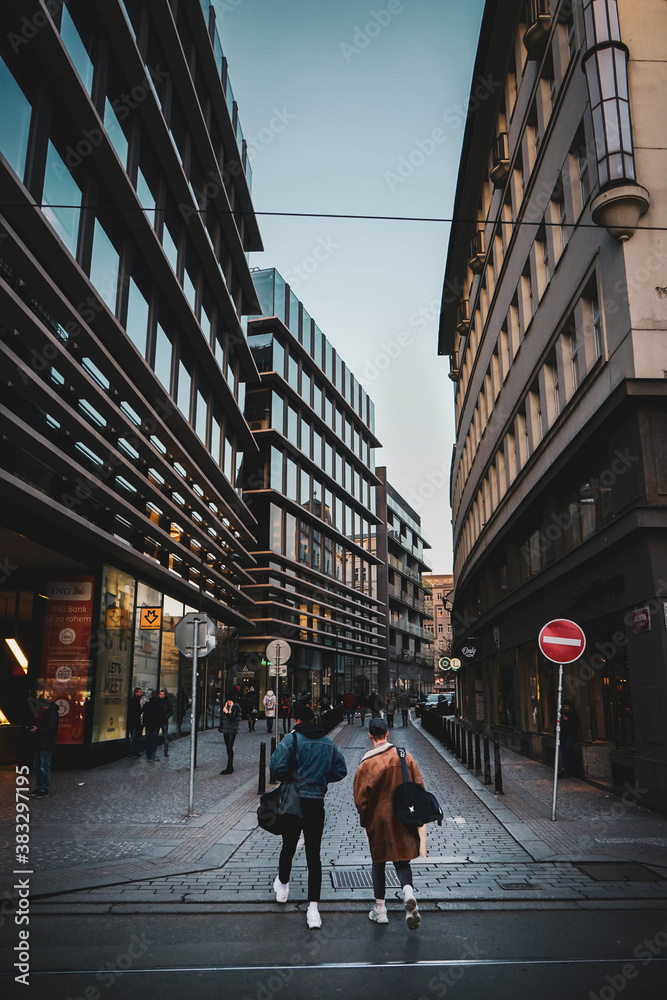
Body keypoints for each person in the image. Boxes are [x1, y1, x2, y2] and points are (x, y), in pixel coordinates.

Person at [270, 704, 347, 929]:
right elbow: (341, 770)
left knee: (288, 846)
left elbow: (275, 768)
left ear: (297, 721)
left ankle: (283, 887)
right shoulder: (328, 742)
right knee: (314, 856)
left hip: (294, 802)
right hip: (316, 804)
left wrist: (290, 778)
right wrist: (321, 779)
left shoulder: (291, 740)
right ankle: (313, 910)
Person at [353, 717, 423, 929]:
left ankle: (380, 910)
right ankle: (408, 893)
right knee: (402, 860)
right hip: (402, 816)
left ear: (369, 735)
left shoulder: (366, 763)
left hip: (379, 819)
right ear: (387, 733)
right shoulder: (403, 754)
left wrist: (366, 820)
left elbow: (360, 799)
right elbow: (419, 783)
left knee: (379, 861)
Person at [28, 695, 59, 798]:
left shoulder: (52, 714)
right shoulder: (49, 713)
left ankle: (43, 789)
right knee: (38, 766)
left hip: (45, 744)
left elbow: (51, 730)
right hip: (42, 743)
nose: (39, 709)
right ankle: (40, 788)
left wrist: (38, 730)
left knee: (43, 767)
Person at [220, 693, 242, 774]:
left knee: (229, 748)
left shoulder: (235, 706)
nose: (228, 702)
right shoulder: (228, 707)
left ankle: (229, 767)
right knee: (228, 748)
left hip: (232, 730)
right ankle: (230, 766)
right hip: (226, 730)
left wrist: (226, 712)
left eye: (229, 700)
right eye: (227, 700)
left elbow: (232, 719)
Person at [142, 690, 166, 762]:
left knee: (148, 740)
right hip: (156, 725)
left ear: (151, 696)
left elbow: (143, 714)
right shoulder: (160, 705)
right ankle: (152, 756)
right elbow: (162, 716)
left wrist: (144, 723)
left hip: (148, 725)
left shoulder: (147, 704)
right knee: (154, 740)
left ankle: (148, 756)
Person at [559, 699, 579, 778]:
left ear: (569, 707)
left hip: (570, 734)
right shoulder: (562, 713)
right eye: (564, 707)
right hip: (564, 733)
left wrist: (568, 720)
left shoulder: (573, 714)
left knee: (566, 750)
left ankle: (564, 769)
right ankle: (566, 768)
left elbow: (577, 724)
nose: (565, 708)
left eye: (566, 707)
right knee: (564, 751)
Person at [127, 686, 143, 757]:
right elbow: (137, 712)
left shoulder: (133, 700)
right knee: (134, 738)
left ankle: (135, 752)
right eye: (140, 692)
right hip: (134, 723)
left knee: (134, 738)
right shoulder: (135, 701)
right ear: (136, 692)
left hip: (133, 722)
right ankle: (132, 753)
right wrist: (142, 709)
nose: (141, 693)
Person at [158, 688, 173, 757]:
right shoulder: (157, 701)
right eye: (160, 694)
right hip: (157, 721)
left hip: (164, 721)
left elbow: (170, 711)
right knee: (157, 736)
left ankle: (166, 751)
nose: (161, 696)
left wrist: (166, 717)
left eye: (162, 694)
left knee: (165, 736)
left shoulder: (168, 702)